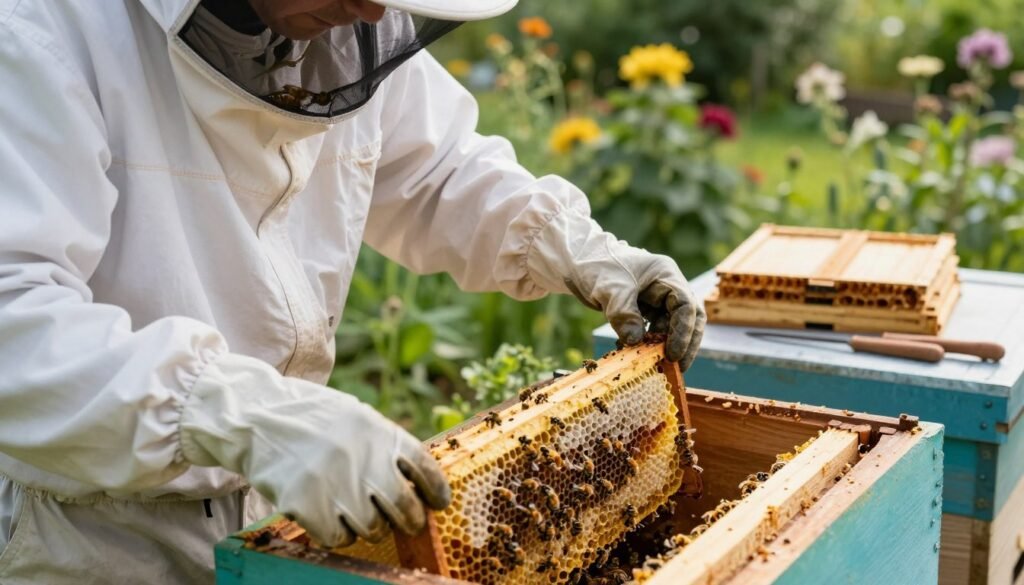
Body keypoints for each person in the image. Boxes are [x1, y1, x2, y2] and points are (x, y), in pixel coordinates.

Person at [0, 0, 706, 582]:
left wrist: (579, 250)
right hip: (82, 533)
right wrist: (237, 411)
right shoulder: (41, 32)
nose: (371, 9)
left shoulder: (343, 28)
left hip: (263, 508)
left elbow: (441, 170)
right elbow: (15, 318)